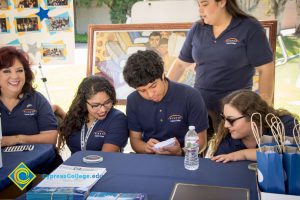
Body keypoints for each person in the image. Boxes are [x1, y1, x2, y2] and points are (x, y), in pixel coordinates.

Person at [167, 0, 274, 135]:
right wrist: (165, 93)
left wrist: (263, 109)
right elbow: (181, 64)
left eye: (205, 5)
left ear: (222, 2)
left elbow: (266, 69)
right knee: (196, 151)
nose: (200, 10)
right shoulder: (197, 29)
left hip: (236, 109)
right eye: (199, 5)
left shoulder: (249, 27)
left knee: (228, 154)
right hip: (201, 106)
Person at [123, 50, 209, 156]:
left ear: (163, 74)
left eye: (153, 86)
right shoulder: (133, 100)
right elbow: (135, 140)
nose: (150, 94)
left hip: (184, 159)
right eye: (142, 90)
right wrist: (146, 147)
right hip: (150, 159)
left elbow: (201, 142)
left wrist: (181, 152)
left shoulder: (191, 96)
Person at [208, 90, 298, 163]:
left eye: (231, 120)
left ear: (253, 117)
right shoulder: (227, 142)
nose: (226, 125)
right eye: (224, 118)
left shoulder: (283, 125)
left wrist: (242, 154)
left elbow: (290, 152)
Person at [0, 46, 58, 147]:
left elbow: (51, 137)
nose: (15, 76)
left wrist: (16, 139)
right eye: (6, 71)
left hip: (40, 161)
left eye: (19, 70)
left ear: (26, 73)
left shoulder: (37, 99)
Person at [58, 76, 128, 154]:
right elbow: (68, 124)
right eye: (96, 105)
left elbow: (105, 157)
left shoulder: (118, 119)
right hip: (75, 165)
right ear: (83, 102)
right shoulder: (75, 114)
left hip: (103, 165)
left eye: (107, 102)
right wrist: (57, 110)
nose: (103, 110)